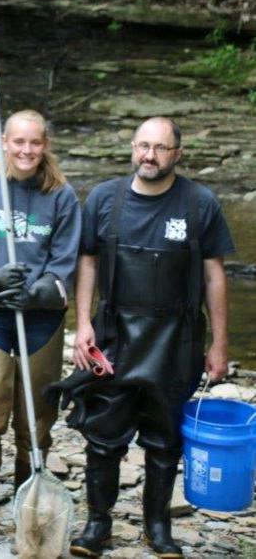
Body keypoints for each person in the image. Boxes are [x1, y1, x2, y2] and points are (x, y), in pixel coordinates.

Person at [62, 117, 233, 558]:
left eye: (159, 148)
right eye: (142, 146)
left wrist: (218, 343)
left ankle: (158, 527)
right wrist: (83, 324)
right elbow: (88, 263)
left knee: (165, 438)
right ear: (133, 147)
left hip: (176, 339)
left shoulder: (200, 203)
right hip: (114, 336)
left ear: (177, 153)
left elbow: (214, 276)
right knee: (104, 436)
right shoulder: (104, 198)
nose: (149, 156)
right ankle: (98, 524)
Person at [0, 109, 81, 549]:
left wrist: (39, 292)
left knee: (35, 418)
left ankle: (27, 510)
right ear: (4, 142)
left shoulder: (61, 197)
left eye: (35, 143)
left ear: (45, 146)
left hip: (40, 320)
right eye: (18, 142)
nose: (26, 151)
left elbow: (65, 264)